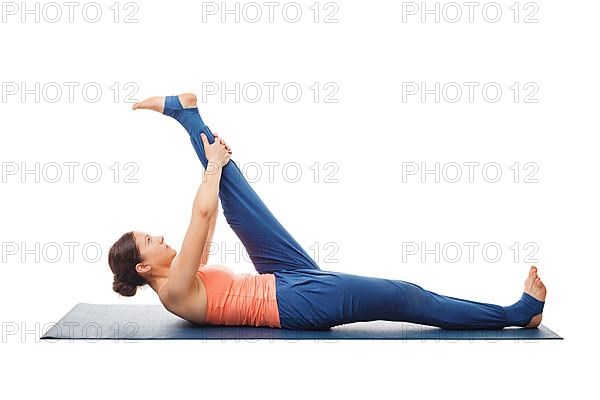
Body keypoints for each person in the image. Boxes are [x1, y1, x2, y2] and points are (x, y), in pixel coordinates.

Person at [108, 93, 546, 331]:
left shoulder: (185, 274)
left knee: (236, 199)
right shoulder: (174, 293)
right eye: (151, 241)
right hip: (296, 303)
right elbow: (198, 220)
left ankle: (190, 117)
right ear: (144, 266)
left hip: (281, 278)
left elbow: (206, 231)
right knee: (405, 295)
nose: (160, 238)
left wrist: (219, 178)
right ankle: (516, 313)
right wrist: (213, 171)